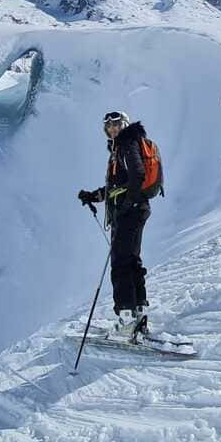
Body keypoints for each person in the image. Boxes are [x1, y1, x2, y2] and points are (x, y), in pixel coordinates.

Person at [77, 111, 153, 339]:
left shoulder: (127, 143)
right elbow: (117, 186)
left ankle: (127, 318)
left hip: (130, 211)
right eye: (108, 126)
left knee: (120, 264)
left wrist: (125, 205)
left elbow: (138, 175)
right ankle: (139, 312)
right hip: (136, 209)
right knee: (131, 261)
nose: (112, 128)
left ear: (125, 124)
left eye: (116, 124)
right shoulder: (122, 147)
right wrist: (94, 196)